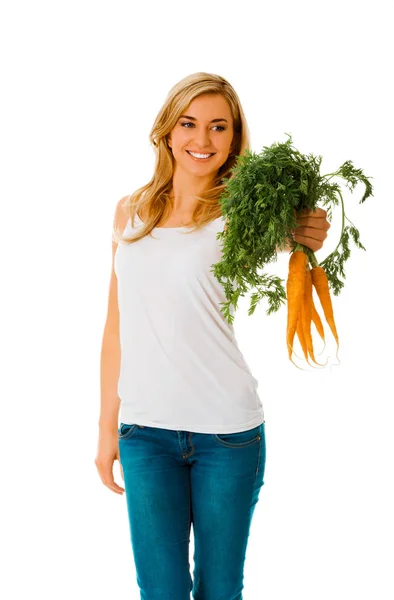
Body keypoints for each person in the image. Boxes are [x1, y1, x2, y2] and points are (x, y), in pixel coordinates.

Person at [95, 72, 330, 600]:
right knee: (161, 592)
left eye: (219, 127)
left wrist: (311, 228)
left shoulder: (247, 215)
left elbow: (305, 226)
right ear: (167, 131)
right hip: (144, 435)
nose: (203, 141)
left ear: (234, 139)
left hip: (226, 435)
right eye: (190, 124)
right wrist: (107, 428)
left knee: (221, 590)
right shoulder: (129, 212)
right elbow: (117, 326)